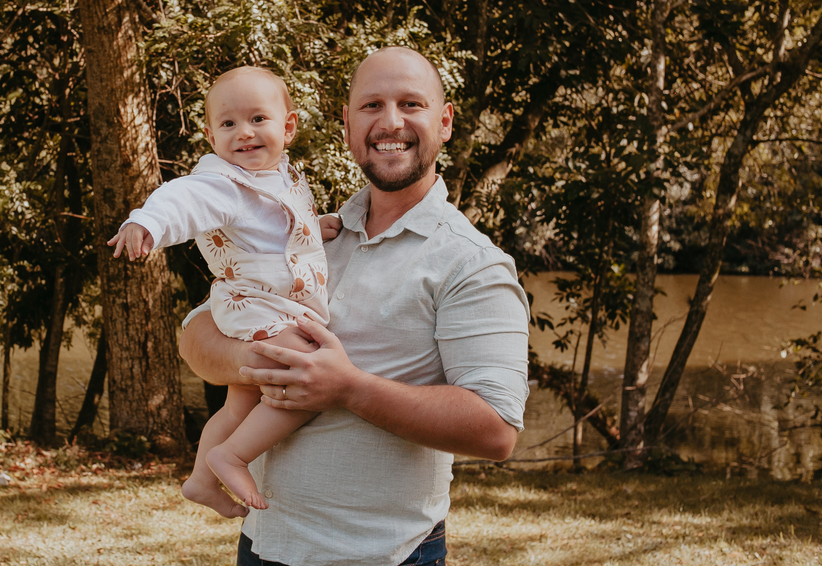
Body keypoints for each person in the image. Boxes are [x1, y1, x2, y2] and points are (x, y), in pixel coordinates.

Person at [179, 47, 530, 566]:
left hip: (381, 555)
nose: (391, 122)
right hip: (266, 544)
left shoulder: (472, 263)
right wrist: (264, 357)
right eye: (371, 106)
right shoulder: (305, 234)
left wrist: (349, 388)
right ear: (347, 124)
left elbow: (497, 429)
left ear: (445, 120)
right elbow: (195, 336)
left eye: (411, 103)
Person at [109, 66, 330, 518]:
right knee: (307, 371)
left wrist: (315, 229)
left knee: (240, 404)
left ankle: (201, 480)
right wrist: (148, 221)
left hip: (269, 303)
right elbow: (182, 199)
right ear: (211, 138)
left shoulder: (280, 178)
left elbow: (279, 232)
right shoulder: (225, 185)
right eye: (228, 124)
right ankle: (231, 456)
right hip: (254, 305)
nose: (243, 134)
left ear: (288, 127)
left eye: (257, 120)